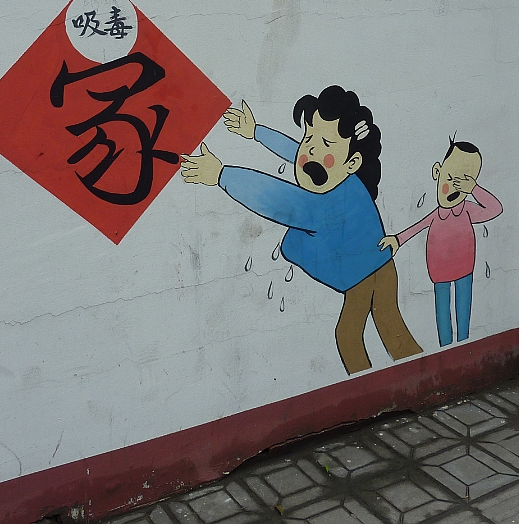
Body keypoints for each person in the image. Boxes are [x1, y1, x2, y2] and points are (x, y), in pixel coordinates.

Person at [181, 86, 422, 374]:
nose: (310, 151)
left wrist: (221, 175)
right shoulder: (347, 177)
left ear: (352, 162)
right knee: (384, 326)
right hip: (377, 267)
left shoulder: (321, 206)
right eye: (309, 137)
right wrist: (256, 132)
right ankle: (416, 372)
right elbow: (300, 152)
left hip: (366, 274)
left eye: (326, 143)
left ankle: (384, 384)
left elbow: (272, 196)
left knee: (351, 335)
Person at [380, 138, 501, 347]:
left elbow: (495, 209)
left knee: (463, 308)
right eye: (450, 179)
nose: (454, 188)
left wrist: (474, 189)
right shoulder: (436, 215)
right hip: (439, 271)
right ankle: (445, 346)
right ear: (437, 172)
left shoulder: (468, 210)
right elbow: (418, 226)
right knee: (443, 311)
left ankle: (463, 344)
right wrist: (397, 240)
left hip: (464, 268)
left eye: (463, 183)